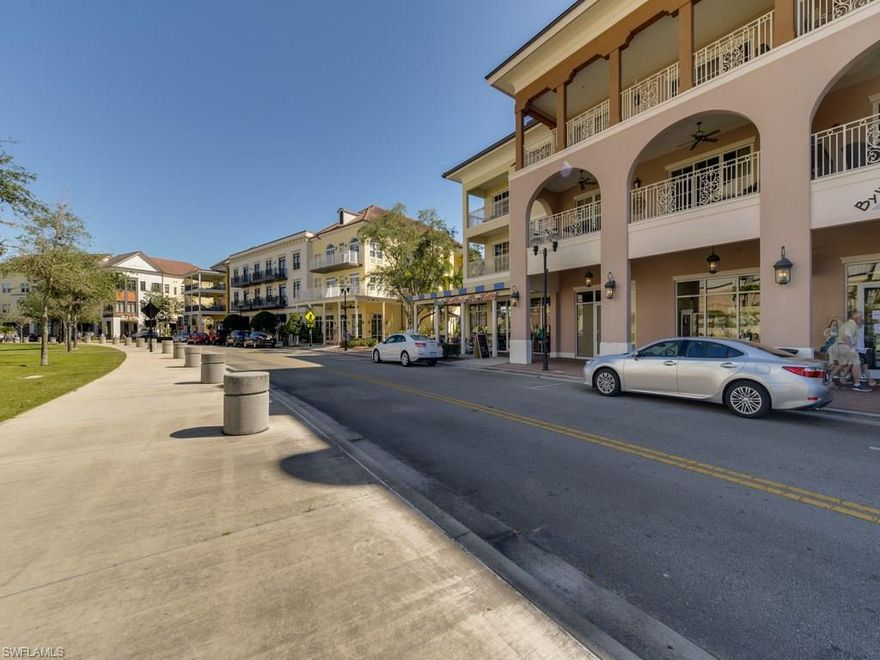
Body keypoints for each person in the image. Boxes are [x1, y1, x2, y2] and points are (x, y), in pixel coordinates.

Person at [834, 312, 872, 392]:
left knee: (844, 364)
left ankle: (830, 378)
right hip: (846, 346)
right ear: (856, 318)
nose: (862, 319)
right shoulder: (852, 325)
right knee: (854, 364)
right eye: (861, 317)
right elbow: (846, 336)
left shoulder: (847, 324)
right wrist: (851, 347)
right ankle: (856, 384)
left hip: (842, 346)